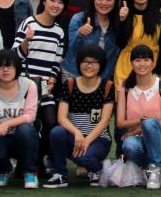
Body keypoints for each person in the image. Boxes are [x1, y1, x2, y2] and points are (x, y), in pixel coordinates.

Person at [12, 0, 67, 174]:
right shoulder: (29, 23)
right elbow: (15, 55)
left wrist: (52, 79)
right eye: (52, 0)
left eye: (60, 2)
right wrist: (27, 41)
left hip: (45, 87)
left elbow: (57, 61)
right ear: (44, 1)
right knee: (29, 125)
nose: (56, 5)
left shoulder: (59, 31)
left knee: (51, 123)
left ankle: (37, 161)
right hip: (25, 85)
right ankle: (25, 163)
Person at [45, 45, 114, 188]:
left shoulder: (107, 86)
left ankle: (97, 169)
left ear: (101, 65)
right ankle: (60, 174)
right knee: (57, 132)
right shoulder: (70, 84)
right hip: (74, 138)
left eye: (94, 62)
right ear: (79, 63)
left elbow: (105, 120)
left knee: (83, 157)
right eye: (85, 61)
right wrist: (77, 133)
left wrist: (87, 141)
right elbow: (61, 118)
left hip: (98, 139)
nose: (89, 65)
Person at [0, 49, 41, 189]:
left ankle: (30, 172)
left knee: (25, 129)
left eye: (9, 66)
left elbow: (30, 115)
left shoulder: (29, 85)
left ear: (16, 68)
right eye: (0, 66)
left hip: (23, 137)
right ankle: (4, 169)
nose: (5, 70)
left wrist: (8, 124)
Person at [116, 45, 161, 189]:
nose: (142, 64)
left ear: (153, 63)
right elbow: (120, 122)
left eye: (146, 60)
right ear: (131, 63)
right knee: (128, 145)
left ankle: (155, 168)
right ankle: (149, 168)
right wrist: (142, 120)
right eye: (137, 60)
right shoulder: (124, 86)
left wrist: (139, 128)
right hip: (137, 140)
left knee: (149, 123)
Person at [115, 0, 161, 84]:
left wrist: (157, 71)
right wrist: (122, 20)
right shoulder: (123, 12)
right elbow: (120, 43)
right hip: (127, 66)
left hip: (153, 67)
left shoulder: (159, 15)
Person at [67, 0, 120, 81]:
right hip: (74, 74)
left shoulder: (118, 23)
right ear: (93, 0)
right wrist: (79, 34)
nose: (104, 3)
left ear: (115, 1)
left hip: (103, 78)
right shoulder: (79, 19)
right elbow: (70, 48)